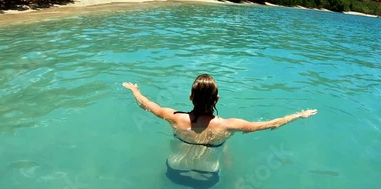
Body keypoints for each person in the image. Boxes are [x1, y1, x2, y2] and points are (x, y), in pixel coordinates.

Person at [122, 74, 317, 188]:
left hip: (174, 172)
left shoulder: (175, 117)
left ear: (191, 97)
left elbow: (147, 105)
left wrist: (135, 90)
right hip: (207, 179)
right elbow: (271, 124)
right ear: (217, 99)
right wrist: (299, 115)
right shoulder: (229, 125)